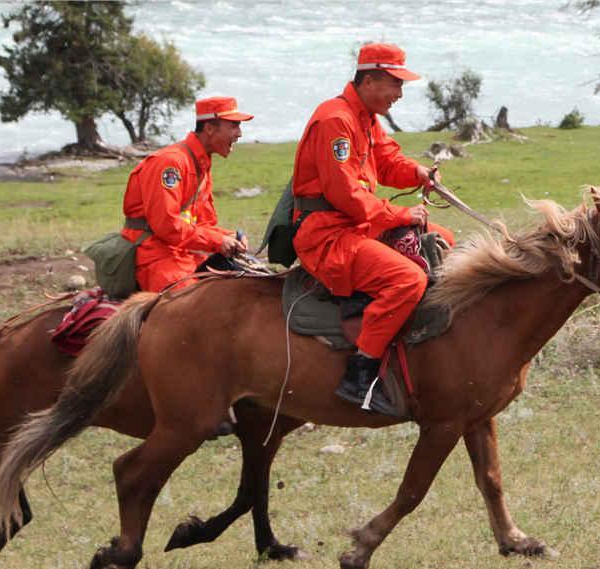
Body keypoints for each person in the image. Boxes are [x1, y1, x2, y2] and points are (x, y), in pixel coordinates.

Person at [291, 42, 455, 417]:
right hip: (328, 234)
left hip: (356, 227)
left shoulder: (365, 117)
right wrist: (399, 215)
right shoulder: (336, 119)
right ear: (370, 79)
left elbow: (387, 160)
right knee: (407, 280)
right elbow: (344, 193)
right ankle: (361, 373)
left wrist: (418, 173)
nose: (399, 94)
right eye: (395, 85)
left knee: (443, 240)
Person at [121, 96, 253, 293]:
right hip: (155, 254)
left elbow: (204, 223)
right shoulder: (172, 163)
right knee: (191, 303)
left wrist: (230, 237)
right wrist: (217, 241)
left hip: (181, 251)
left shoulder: (200, 164)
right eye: (233, 126)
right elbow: (166, 225)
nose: (239, 133)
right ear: (209, 128)